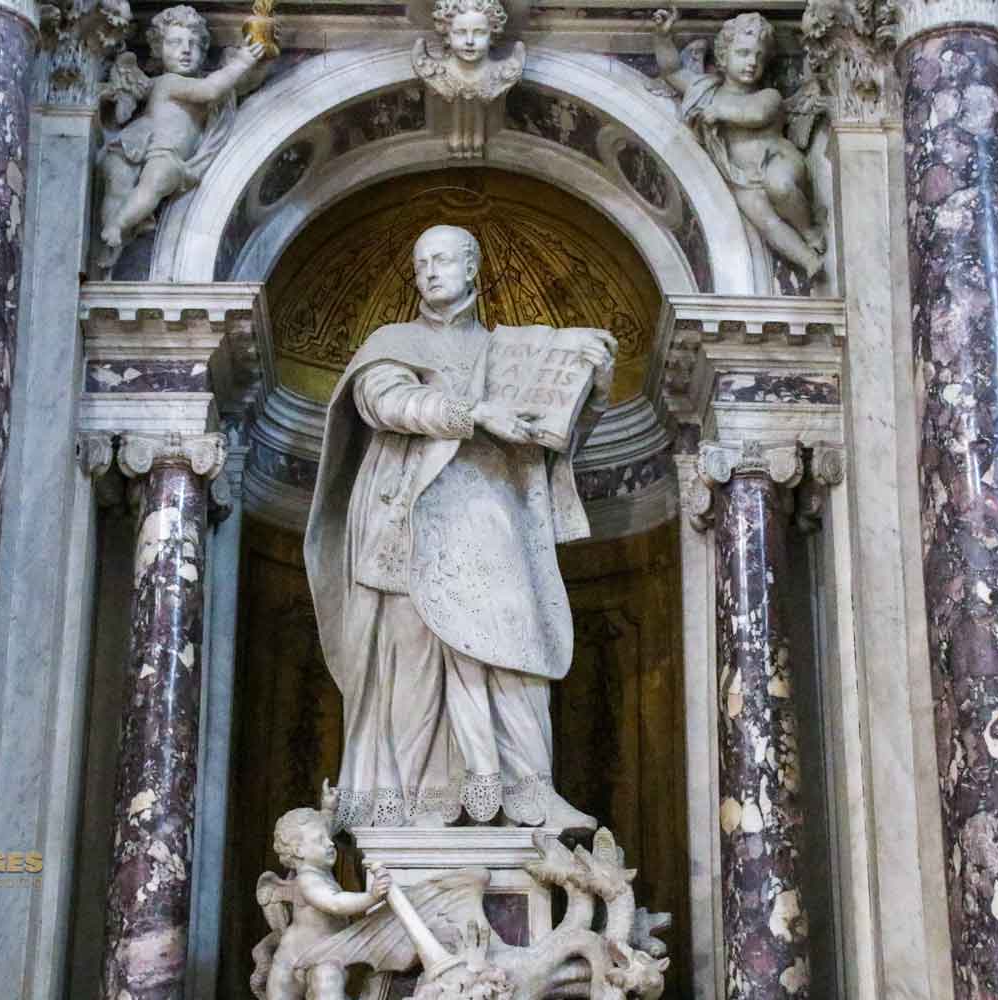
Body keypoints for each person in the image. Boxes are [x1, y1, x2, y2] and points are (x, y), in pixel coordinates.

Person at [304, 224, 613, 831]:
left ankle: (528, 791)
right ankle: (411, 808)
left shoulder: (513, 350)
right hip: (405, 519)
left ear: (473, 267)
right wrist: (473, 414)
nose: (430, 271)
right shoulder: (393, 341)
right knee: (412, 665)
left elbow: (554, 432)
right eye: (421, 263)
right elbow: (384, 402)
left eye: (443, 260)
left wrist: (593, 387)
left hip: (491, 513)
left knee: (514, 648)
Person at [653, 8, 824, 278]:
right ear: (723, 56)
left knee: (779, 185)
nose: (752, 62)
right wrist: (663, 37)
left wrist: (720, 113)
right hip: (740, 177)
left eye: (759, 56)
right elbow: (672, 71)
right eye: (743, 53)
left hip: (776, 160)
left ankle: (809, 229)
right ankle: (807, 259)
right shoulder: (706, 91)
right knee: (767, 223)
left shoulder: (769, 96)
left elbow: (756, 115)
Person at [97, 5, 265, 258]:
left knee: (154, 181)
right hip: (138, 140)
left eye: (193, 44)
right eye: (174, 43)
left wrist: (250, 62)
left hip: (165, 153)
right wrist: (240, 63)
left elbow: (219, 88)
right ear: (157, 48)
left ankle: (118, 225)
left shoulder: (188, 84)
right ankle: (112, 232)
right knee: (116, 177)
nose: (185, 50)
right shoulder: (168, 81)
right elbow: (210, 89)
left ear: (203, 50)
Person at [258, 791, 392, 1000]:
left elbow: (322, 828)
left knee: (329, 984)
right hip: (290, 962)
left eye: (328, 838)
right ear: (299, 850)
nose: (330, 843)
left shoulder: (317, 867)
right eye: (321, 840)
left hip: (325, 956)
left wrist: (328, 810)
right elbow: (335, 904)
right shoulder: (307, 880)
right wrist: (371, 897)